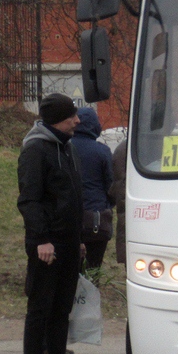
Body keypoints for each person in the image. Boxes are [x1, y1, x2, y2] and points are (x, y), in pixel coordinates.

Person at [17, 93, 96, 354]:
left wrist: (78, 239)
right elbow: (30, 200)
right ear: (55, 120)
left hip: (67, 243)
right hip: (46, 245)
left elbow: (73, 198)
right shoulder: (37, 150)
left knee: (62, 308)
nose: (77, 120)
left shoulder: (67, 148)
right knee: (41, 306)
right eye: (70, 117)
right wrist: (41, 239)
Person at [110, 134, 163, 354]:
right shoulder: (138, 150)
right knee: (141, 307)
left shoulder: (126, 148)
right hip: (142, 236)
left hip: (134, 235)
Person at [70, 107, 113, 269]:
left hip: (68, 218)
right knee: (93, 266)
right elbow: (111, 184)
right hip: (96, 219)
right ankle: (91, 291)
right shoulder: (102, 151)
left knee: (71, 269)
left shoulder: (64, 147)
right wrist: (107, 205)